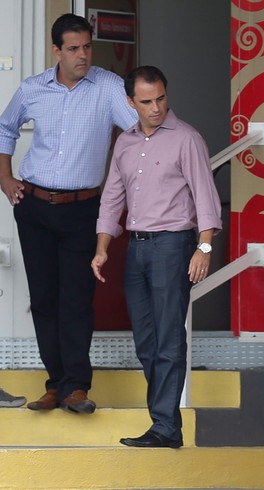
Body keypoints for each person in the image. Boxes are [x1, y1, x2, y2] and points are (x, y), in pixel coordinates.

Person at [0, 14, 137, 414]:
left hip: (84, 209)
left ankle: (76, 387)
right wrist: (6, 178)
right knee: (44, 299)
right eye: (73, 49)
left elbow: (140, 132)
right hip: (34, 206)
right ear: (56, 50)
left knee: (76, 299)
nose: (83, 55)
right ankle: (55, 385)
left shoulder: (109, 88)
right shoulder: (32, 89)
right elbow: (5, 128)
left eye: (87, 47)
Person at [92, 66, 222, 448]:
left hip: (173, 246)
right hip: (136, 247)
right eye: (146, 101)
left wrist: (205, 246)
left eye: (161, 98)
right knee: (146, 341)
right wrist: (102, 246)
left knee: (168, 339)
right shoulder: (125, 143)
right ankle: (166, 423)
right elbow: (112, 197)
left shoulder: (187, 139)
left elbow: (206, 198)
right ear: (130, 103)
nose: (156, 107)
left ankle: (165, 426)